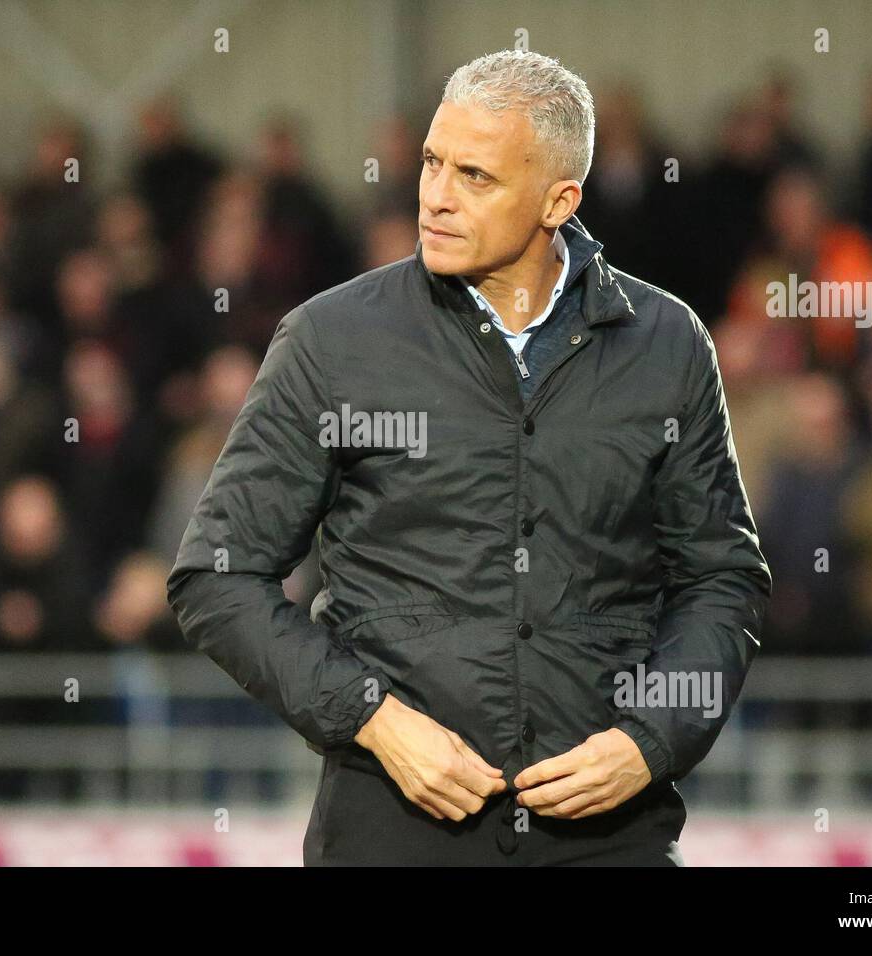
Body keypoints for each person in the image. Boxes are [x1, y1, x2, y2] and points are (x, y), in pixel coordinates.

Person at [167, 50, 772, 866]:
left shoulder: (667, 346)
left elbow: (720, 579)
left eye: (476, 177)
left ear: (560, 200)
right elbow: (216, 577)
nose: (435, 197)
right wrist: (374, 720)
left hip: (609, 839)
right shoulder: (331, 342)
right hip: (387, 832)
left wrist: (651, 739)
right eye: (430, 162)